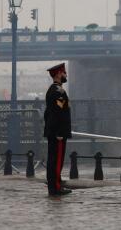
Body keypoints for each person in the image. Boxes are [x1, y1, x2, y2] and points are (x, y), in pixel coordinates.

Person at [43, 62, 72, 197]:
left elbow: (48, 113)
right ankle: (55, 188)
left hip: (53, 131)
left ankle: (55, 184)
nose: (66, 75)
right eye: (64, 73)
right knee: (56, 160)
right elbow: (59, 114)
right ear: (59, 74)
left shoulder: (53, 90)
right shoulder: (58, 92)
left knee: (54, 159)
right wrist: (59, 132)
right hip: (58, 133)